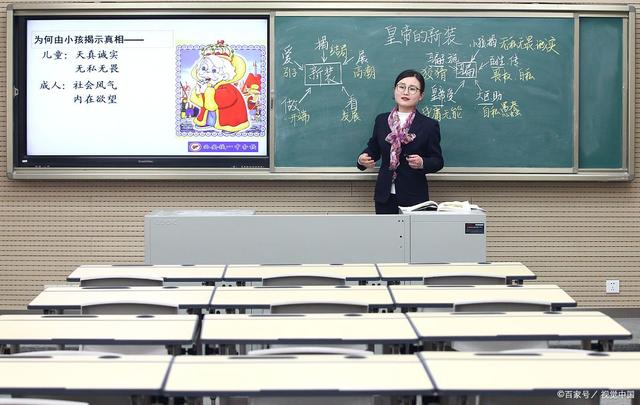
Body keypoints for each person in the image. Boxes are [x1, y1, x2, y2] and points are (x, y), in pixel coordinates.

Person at [357, 69, 444, 214]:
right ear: (395, 90)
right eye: (401, 87)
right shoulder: (382, 120)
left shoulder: (429, 125)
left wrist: (422, 162)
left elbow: (437, 161)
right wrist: (362, 159)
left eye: (412, 89)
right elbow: (373, 149)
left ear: (421, 96)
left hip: (414, 196)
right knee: (385, 229)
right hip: (385, 195)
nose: (406, 92)